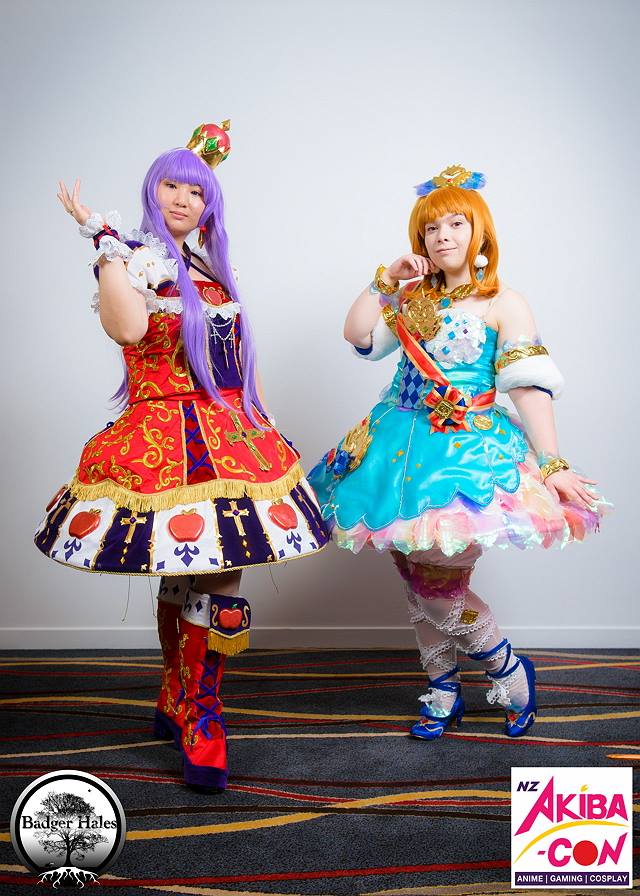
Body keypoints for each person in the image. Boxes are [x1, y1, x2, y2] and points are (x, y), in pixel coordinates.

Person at [35, 120, 328, 791]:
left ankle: (193, 703)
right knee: (186, 567)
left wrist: (260, 418)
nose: (184, 200)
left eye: (197, 192)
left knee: (220, 570)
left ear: (209, 206)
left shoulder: (212, 269)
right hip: (161, 433)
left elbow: (235, 361)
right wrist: (104, 246)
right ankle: (188, 705)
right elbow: (127, 327)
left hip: (228, 432)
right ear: (152, 189)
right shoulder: (133, 257)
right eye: (173, 186)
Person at [308, 164, 609, 740]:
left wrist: (552, 463)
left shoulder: (504, 303)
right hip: (394, 448)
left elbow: (527, 386)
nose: (442, 236)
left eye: (455, 224)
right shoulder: (410, 297)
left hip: (466, 454)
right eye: (430, 228)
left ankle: (509, 673)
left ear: (480, 233)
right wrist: (385, 279)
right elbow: (358, 335)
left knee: (437, 588)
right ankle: (443, 689)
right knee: (414, 579)